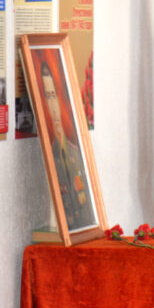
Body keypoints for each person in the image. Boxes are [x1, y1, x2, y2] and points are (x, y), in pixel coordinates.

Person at [41, 62, 95, 231]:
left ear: (59, 99)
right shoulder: (49, 156)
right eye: (48, 97)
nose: (52, 106)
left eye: (53, 95)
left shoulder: (77, 153)